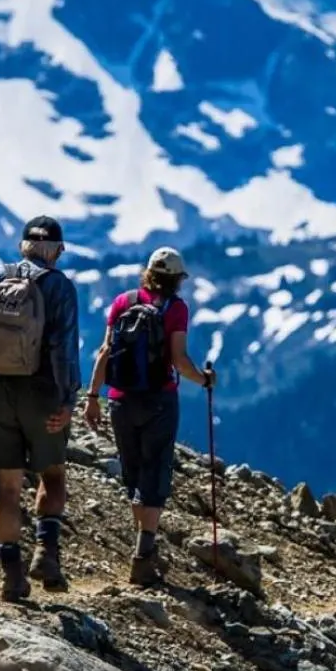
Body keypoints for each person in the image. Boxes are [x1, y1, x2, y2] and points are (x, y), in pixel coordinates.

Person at [0, 216, 81, 602]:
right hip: (41, 392)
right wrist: (67, 400)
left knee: (6, 488)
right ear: (57, 250)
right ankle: (47, 553)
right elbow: (63, 348)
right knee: (53, 475)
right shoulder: (58, 285)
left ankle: (12, 575)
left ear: (23, 245)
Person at [83, 246, 214, 587]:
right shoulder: (176, 309)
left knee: (133, 472)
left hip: (120, 401)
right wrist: (204, 380)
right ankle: (143, 556)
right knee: (154, 474)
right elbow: (179, 360)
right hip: (159, 401)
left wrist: (93, 397)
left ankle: (144, 548)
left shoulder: (123, 302)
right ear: (176, 280)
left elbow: (105, 351)